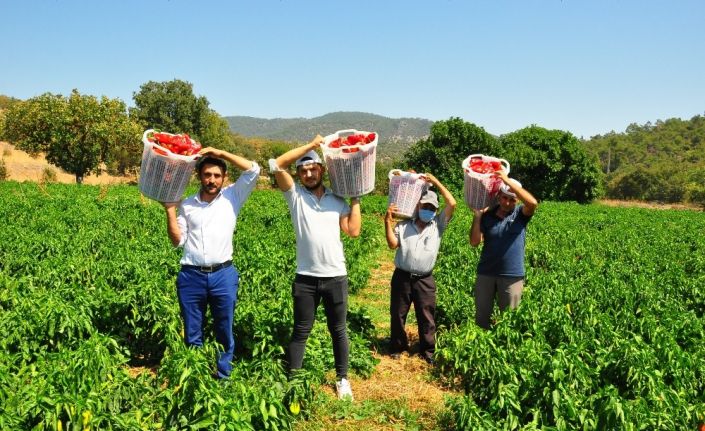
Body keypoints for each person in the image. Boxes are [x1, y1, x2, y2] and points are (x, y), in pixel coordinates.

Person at [269, 135, 361, 400]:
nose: (309, 173)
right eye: (303, 170)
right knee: (301, 330)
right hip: (306, 278)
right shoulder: (295, 196)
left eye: (313, 168)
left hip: (335, 276)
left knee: (339, 330)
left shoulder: (337, 200)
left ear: (321, 170)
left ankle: (343, 379)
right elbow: (276, 165)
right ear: (299, 174)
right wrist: (311, 146)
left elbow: (353, 231)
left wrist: (355, 201)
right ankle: (294, 380)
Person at [162, 147, 260, 379]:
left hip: (223, 274)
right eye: (207, 175)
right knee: (192, 330)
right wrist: (169, 210)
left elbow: (254, 170)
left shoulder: (232, 196)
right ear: (199, 176)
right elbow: (178, 241)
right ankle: (195, 376)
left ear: (224, 177)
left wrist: (222, 153)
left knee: (224, 328)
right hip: (191, 275)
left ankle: (223, 375)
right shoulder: (186, 204)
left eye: (217, 175)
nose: (212, 180)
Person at [384, 174, 456, 364]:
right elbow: (393, 245)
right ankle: (398, 346)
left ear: (436, 210)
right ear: (417, 206)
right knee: (398, 313)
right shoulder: (404, 225)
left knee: (426, 316)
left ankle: (427, 351)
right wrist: (387, 223)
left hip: (425, 278)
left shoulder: (438, 225)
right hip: (402, 276)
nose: (428, 210)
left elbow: (453, 203)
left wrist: (437, 181)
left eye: (431, 208)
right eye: (425, 206)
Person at [469, 170, 538, 329]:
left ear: (517, 201)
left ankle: (505, 350)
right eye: (505, 198)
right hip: (486, 273)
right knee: (481, 319)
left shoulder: (521, 214)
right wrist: (478, 216)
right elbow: (474, 242)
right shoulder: (487, 215)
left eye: (512, 200)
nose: (507, 203)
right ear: (499, 196)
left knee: (509, 321)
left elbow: (532, 203)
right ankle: (482, 350)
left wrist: (506, 180)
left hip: (512, 276)